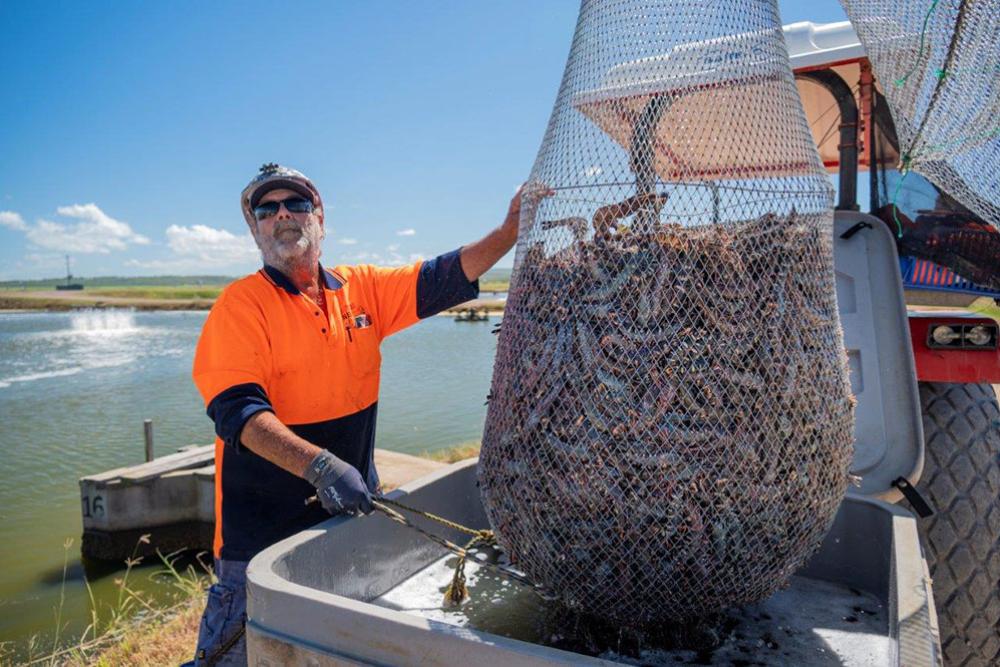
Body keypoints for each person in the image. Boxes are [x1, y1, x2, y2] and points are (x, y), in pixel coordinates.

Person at [186, 163, 531, 665]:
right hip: (257, 544)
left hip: (344, 524)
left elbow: (445, 277)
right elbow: (239, 415)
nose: (282, 214)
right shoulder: (240, 307)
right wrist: (319, 466)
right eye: (267, 208)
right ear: (254, 227)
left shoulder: (361, 288)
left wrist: (509, 232)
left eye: (296, 203)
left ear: (319, 215)